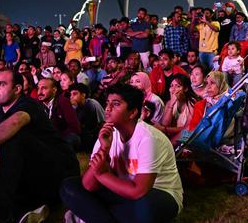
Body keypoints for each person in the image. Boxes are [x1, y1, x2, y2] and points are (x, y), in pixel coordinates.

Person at [60, 83, 183, 223]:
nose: (107, 108)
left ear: (132, 112)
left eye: (116, 104)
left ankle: (91, 214)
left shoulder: (148, 138)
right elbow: (89, 185)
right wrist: (104, 149)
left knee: (145, 208)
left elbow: (138, 191)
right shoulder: (107, 134)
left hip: (156, 194)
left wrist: (102, 174)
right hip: (121, 190)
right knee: (68, 187)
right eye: (107, 103)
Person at [0, 70, 79, 222]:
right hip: (30, 172)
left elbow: (15, 122)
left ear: (17, 89)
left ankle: (3, 212)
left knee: (13, 137)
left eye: (1, 84)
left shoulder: (28, 104)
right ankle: (27, 209)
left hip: (58, 168)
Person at [153, 74, 200, 144]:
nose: (173, 89)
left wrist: (165, 129)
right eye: (171, 86)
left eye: (178, 86)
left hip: (186, 138)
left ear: (185, 89)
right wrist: (171, 105)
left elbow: (188, 129)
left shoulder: (192, 103)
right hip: (170, 136)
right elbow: (165, 124)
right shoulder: (170, 102)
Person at [37, 78, 81, 147]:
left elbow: (75, 127)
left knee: (73, 138)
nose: (39, 92)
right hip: (46, 137)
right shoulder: (37, 103)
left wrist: (56, 137)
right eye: (38, 88)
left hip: (61, 136)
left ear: (54, 90)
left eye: (44, 88)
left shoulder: (63, 101)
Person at [68, 83, 104, 152]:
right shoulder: (77, 106)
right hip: (87, 134)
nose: (71, 97)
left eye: (75, 94)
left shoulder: (91, 103)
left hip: (97, 135)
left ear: (83, 95)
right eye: (71, 94)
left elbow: (90, 126)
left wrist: (74, 108)